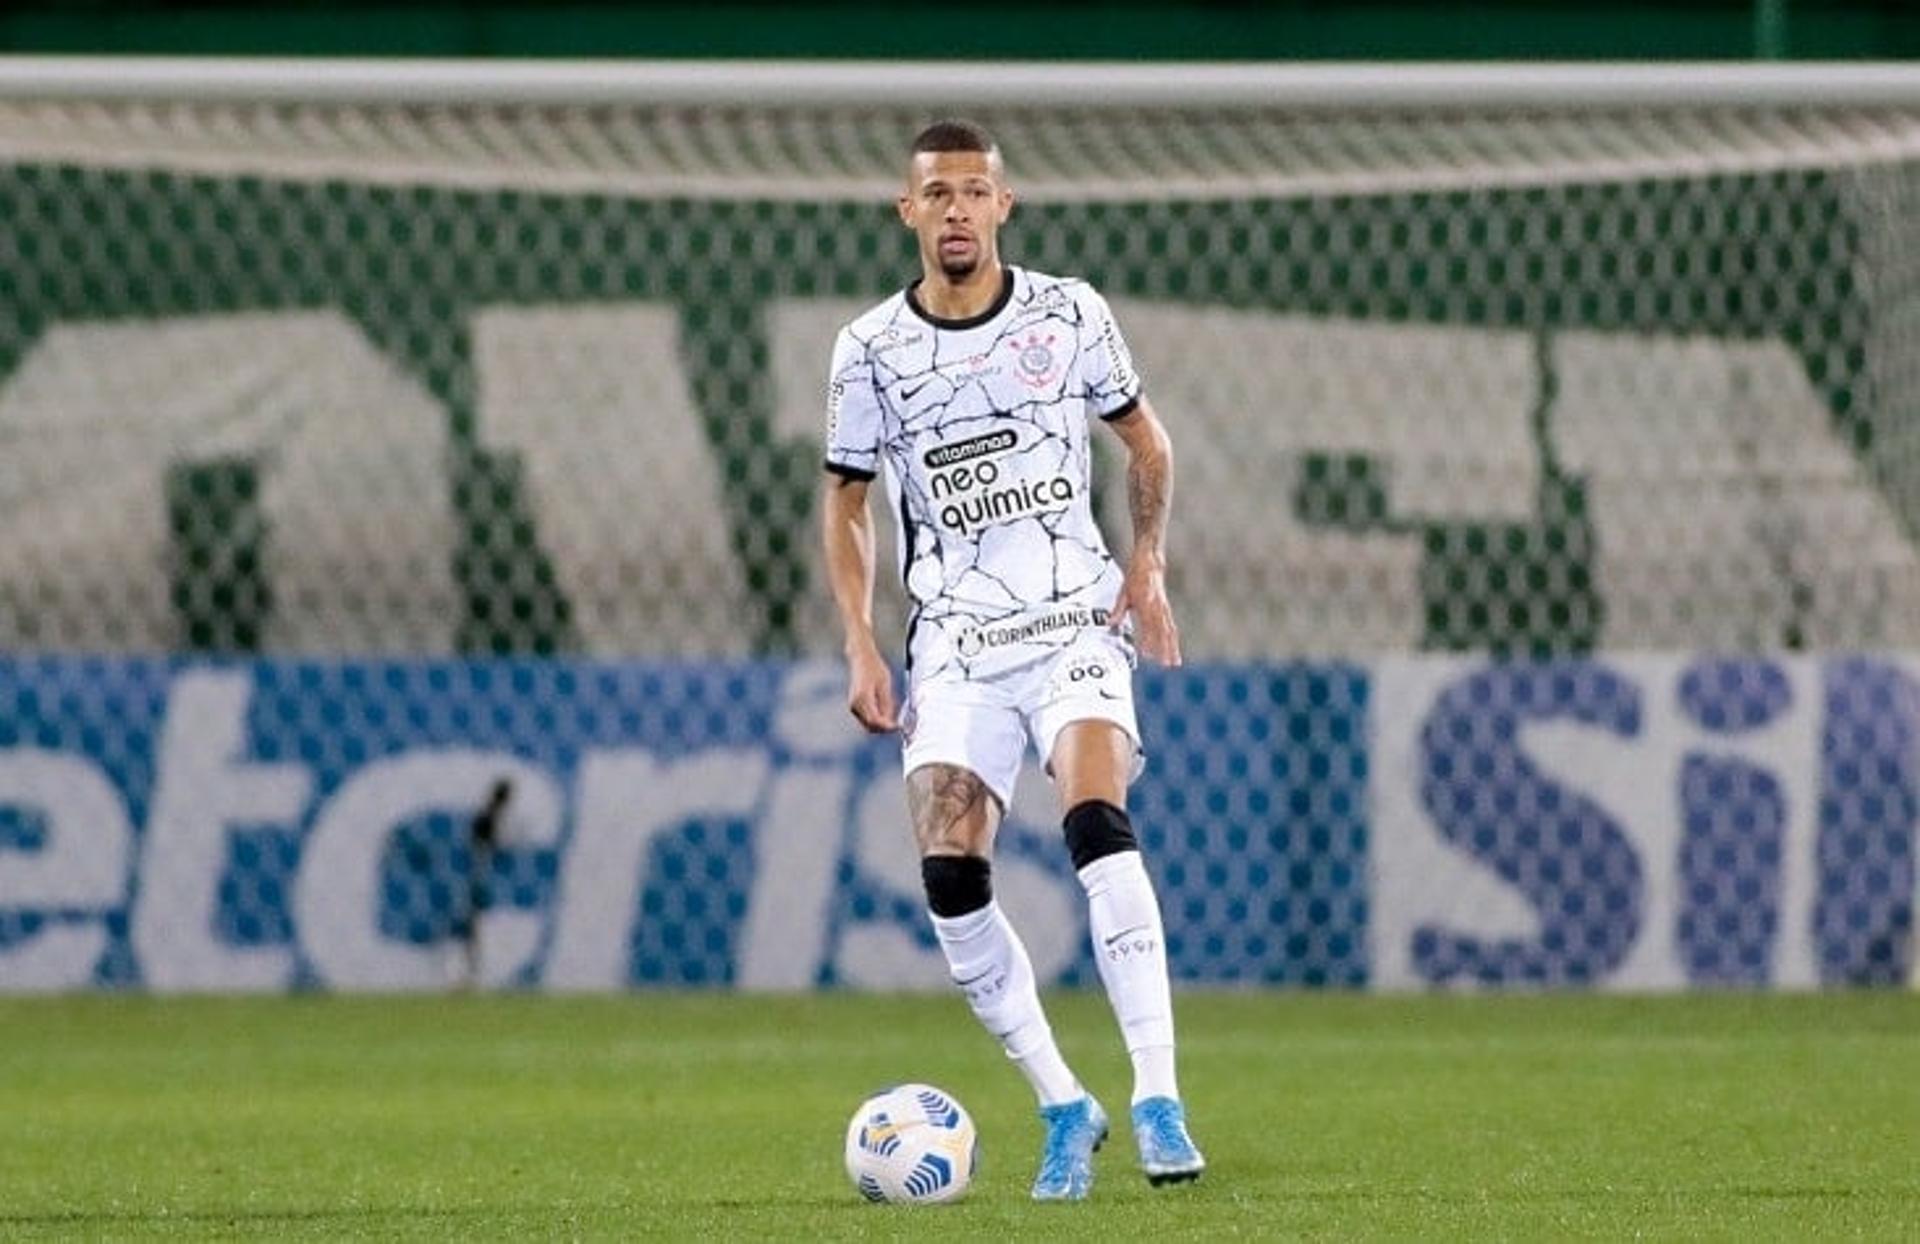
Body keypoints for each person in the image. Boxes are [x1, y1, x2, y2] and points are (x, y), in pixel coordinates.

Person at [820, 119, 1204, 1201]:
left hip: (1072, 620)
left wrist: (1151, 568)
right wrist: (859, 639)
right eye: (935, 192)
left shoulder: (1069, 314)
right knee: (951, 872)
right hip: (954, 646)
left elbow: (1148, 443)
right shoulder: (870, 350)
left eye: (973, 191)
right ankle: (1062, 1101)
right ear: (908, 212)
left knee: (1095, 819)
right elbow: (845, 499)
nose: (954, 208)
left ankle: (1158, 1097)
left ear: (1003, 205)